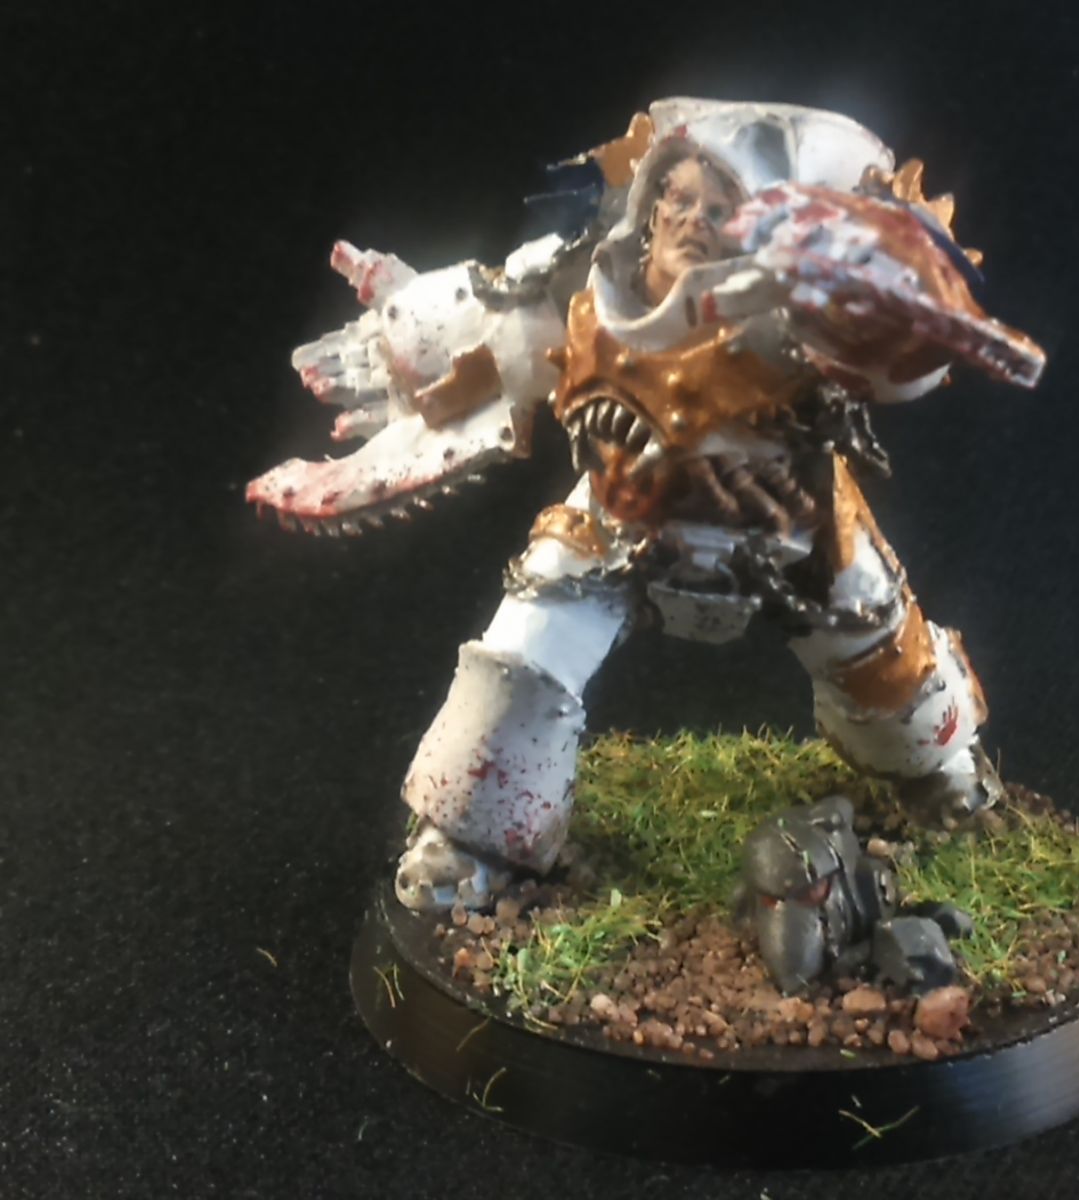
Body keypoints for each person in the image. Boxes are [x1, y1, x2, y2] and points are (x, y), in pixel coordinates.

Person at [392, 119, 1020, 912]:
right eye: (679, 200)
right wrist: (428, 374)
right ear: (650, 207)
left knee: (882, 650)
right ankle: (468, 837)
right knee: (527, 653)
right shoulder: (590, 298)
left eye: (719, 209)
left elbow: (901, 367)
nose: (694, 220)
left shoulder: (800, 319)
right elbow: (489, 359)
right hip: (622, 517)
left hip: (793, 524)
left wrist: (911, 284)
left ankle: (938, 773)